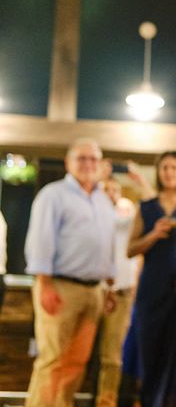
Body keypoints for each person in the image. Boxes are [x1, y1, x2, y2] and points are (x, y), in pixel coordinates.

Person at [24, 138, 116, 407]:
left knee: (77, 363)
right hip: (60, 288)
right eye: (82, 158)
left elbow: (107, 244)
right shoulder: (53, 195)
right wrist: (45, 285)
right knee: (52, 360)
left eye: (93, 159)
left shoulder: (102, 199)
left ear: (100, 163)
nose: (88, 164)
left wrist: (108, 286)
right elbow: (41, 242)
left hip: (94, 291)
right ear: (68, 162)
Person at [127, 151, 176, 406]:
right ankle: (148, 400)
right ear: (159, 172)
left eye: (174, 168)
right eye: (165, 168)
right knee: (148, 348)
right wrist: (153, 235)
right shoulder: (146, 207)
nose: (169, 172)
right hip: (151, 287)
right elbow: (130, 249)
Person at [95, 172, 151, 407]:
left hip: (121, 292)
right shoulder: (90, 214)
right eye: (105, 190)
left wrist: (142, 183)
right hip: (92, 290)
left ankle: (105, 403)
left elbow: (149, 208)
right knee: (79, 354)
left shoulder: (124, 212)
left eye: (114, 190)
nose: (110, 195)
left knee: (112, 357)